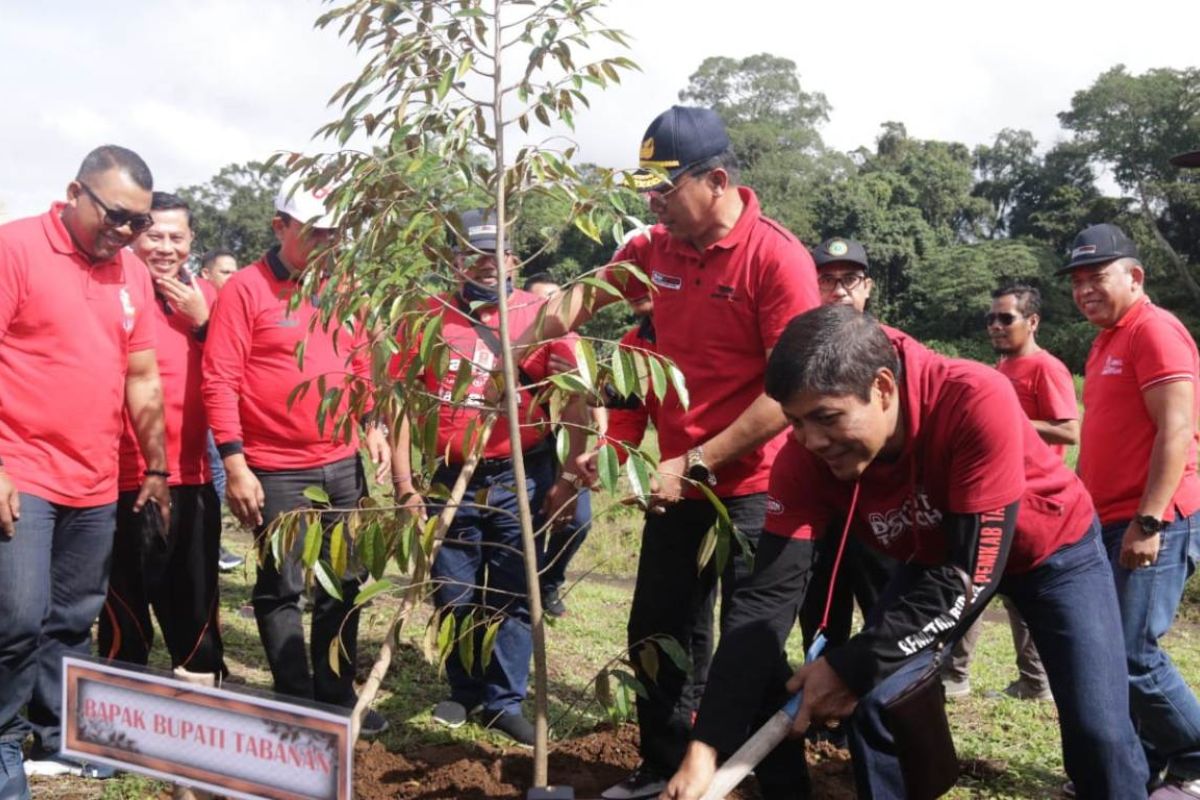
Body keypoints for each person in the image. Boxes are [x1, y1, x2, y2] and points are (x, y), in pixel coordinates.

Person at [663, 304, 1148, 800]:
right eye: (794, 421)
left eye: (826, 418)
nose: (811, 440)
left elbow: (971, 573)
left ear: (884, 388)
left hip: (1051, 554)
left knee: (1099, 732)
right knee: (880, 700)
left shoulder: (973, 398)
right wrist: (705, 750)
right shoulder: (804, 457)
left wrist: (849, 667)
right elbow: (763, 603)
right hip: (933, 560)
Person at [520, 105, 820, 799]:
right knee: (658, 627)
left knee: (753, 644)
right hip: (677, 482)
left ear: (717, 180)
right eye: (646, 188)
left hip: (759, 485)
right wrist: (513, 347)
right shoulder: (654, 250)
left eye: (665, 188)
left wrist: (697, 459)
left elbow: (790, 393)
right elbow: (578, 301)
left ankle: (777, 786)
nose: (653, 203)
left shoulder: (778, 260)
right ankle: (663, 769)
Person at [0, 145, 170, 796]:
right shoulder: (15, 249)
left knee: (74, 615)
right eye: (116, 216)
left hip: (94, 475)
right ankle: (3, 743)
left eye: (138, 223)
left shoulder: (128, 273)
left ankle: (59, 732)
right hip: (22, 465)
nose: (126, 233)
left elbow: (142, 373)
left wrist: (154, 465)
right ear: (75, 192)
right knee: (16, 619)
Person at [202, 175, 390, 734]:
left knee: (344, 579)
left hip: (341, 461)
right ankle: (292, 696)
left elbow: (359, 360)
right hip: (276, 465)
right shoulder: (246, 289)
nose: (328, 243)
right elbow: (220, 379)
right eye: (316, 232)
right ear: (280, 226)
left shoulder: (345, 285)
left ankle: (333, 693)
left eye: (336, 232)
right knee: (281, 585)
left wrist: (372, 422)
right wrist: (236, 464)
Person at [391, 209, 585, 747]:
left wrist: (569, 475)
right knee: (454, 593)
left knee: (513, 592)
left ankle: (504, 701)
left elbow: (573, 398)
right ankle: (465, 689)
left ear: (513, 260)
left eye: (493, 252)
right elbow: (403, 406)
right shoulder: (425, 318)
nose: (481, 262)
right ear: (453, 261)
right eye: (469, 252)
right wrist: (405, 484)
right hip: (447, 479)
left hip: (518, 476)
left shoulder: (541, 314)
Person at [1059, 223, 1200, 797]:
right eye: (1077, 281)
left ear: (1134, 276)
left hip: (1155, 515)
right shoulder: (1105, 338)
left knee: (1132, 653)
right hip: (1110, 517)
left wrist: (1150, 521)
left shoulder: (1155, 331)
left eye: (1097, 277)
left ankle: (1193, 754)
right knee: (1112, 651)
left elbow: (1177, 430)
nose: (1085, 289)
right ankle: (1137, 768)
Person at [98, 192, 226, 689]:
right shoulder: (110, 287)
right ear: (135, 236)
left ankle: (197, 710)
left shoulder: (210, 298)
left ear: (192, 242)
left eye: (176, 237)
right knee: (123, 602)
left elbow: (234, 372)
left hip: (192, 475)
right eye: (155, 235)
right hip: (123, 475)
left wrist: (204, 323)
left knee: (194, 599)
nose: (165, 247)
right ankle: (114, 715)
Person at [943, 284, 1077, 703]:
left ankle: (1031, 682)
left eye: (1006, 319)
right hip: (995, 491)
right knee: (981, 582)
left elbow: (1069, 429)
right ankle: (962, 674)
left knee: (998, 587)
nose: (996, 327)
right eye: (991, 319)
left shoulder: (1045, 367)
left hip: (1030, 496)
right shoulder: (1003, 369)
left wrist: (1007, 417)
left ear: (1032, 321)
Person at [797, 238, 896, 656]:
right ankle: (820, 705)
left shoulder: (892, 346)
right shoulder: (797, 351)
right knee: (819, 610)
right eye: (827, 279)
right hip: (822, 503)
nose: (839, 290)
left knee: (886, 608)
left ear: (868, 287)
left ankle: (891, 705)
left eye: (850, 279)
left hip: (883, 507)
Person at [521, 272, 596, 618]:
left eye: (556, 302)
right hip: (530, 448)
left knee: (578, 520)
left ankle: (549, 580)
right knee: (530, 523)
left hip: (563, 446)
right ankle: (527, 588)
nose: (550, 311)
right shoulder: (518, 345)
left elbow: (588, 404)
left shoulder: (574, 345)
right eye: (541, 303)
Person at [197, 247, 243, 572]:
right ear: (206, 275)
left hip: (227, 412)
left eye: (235, 271)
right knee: (214, 472)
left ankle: (212, 544)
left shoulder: (236, 304)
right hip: (203, 411)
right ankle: (210, 545)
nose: (232, 277)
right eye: (225, 271)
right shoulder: (201, 301)